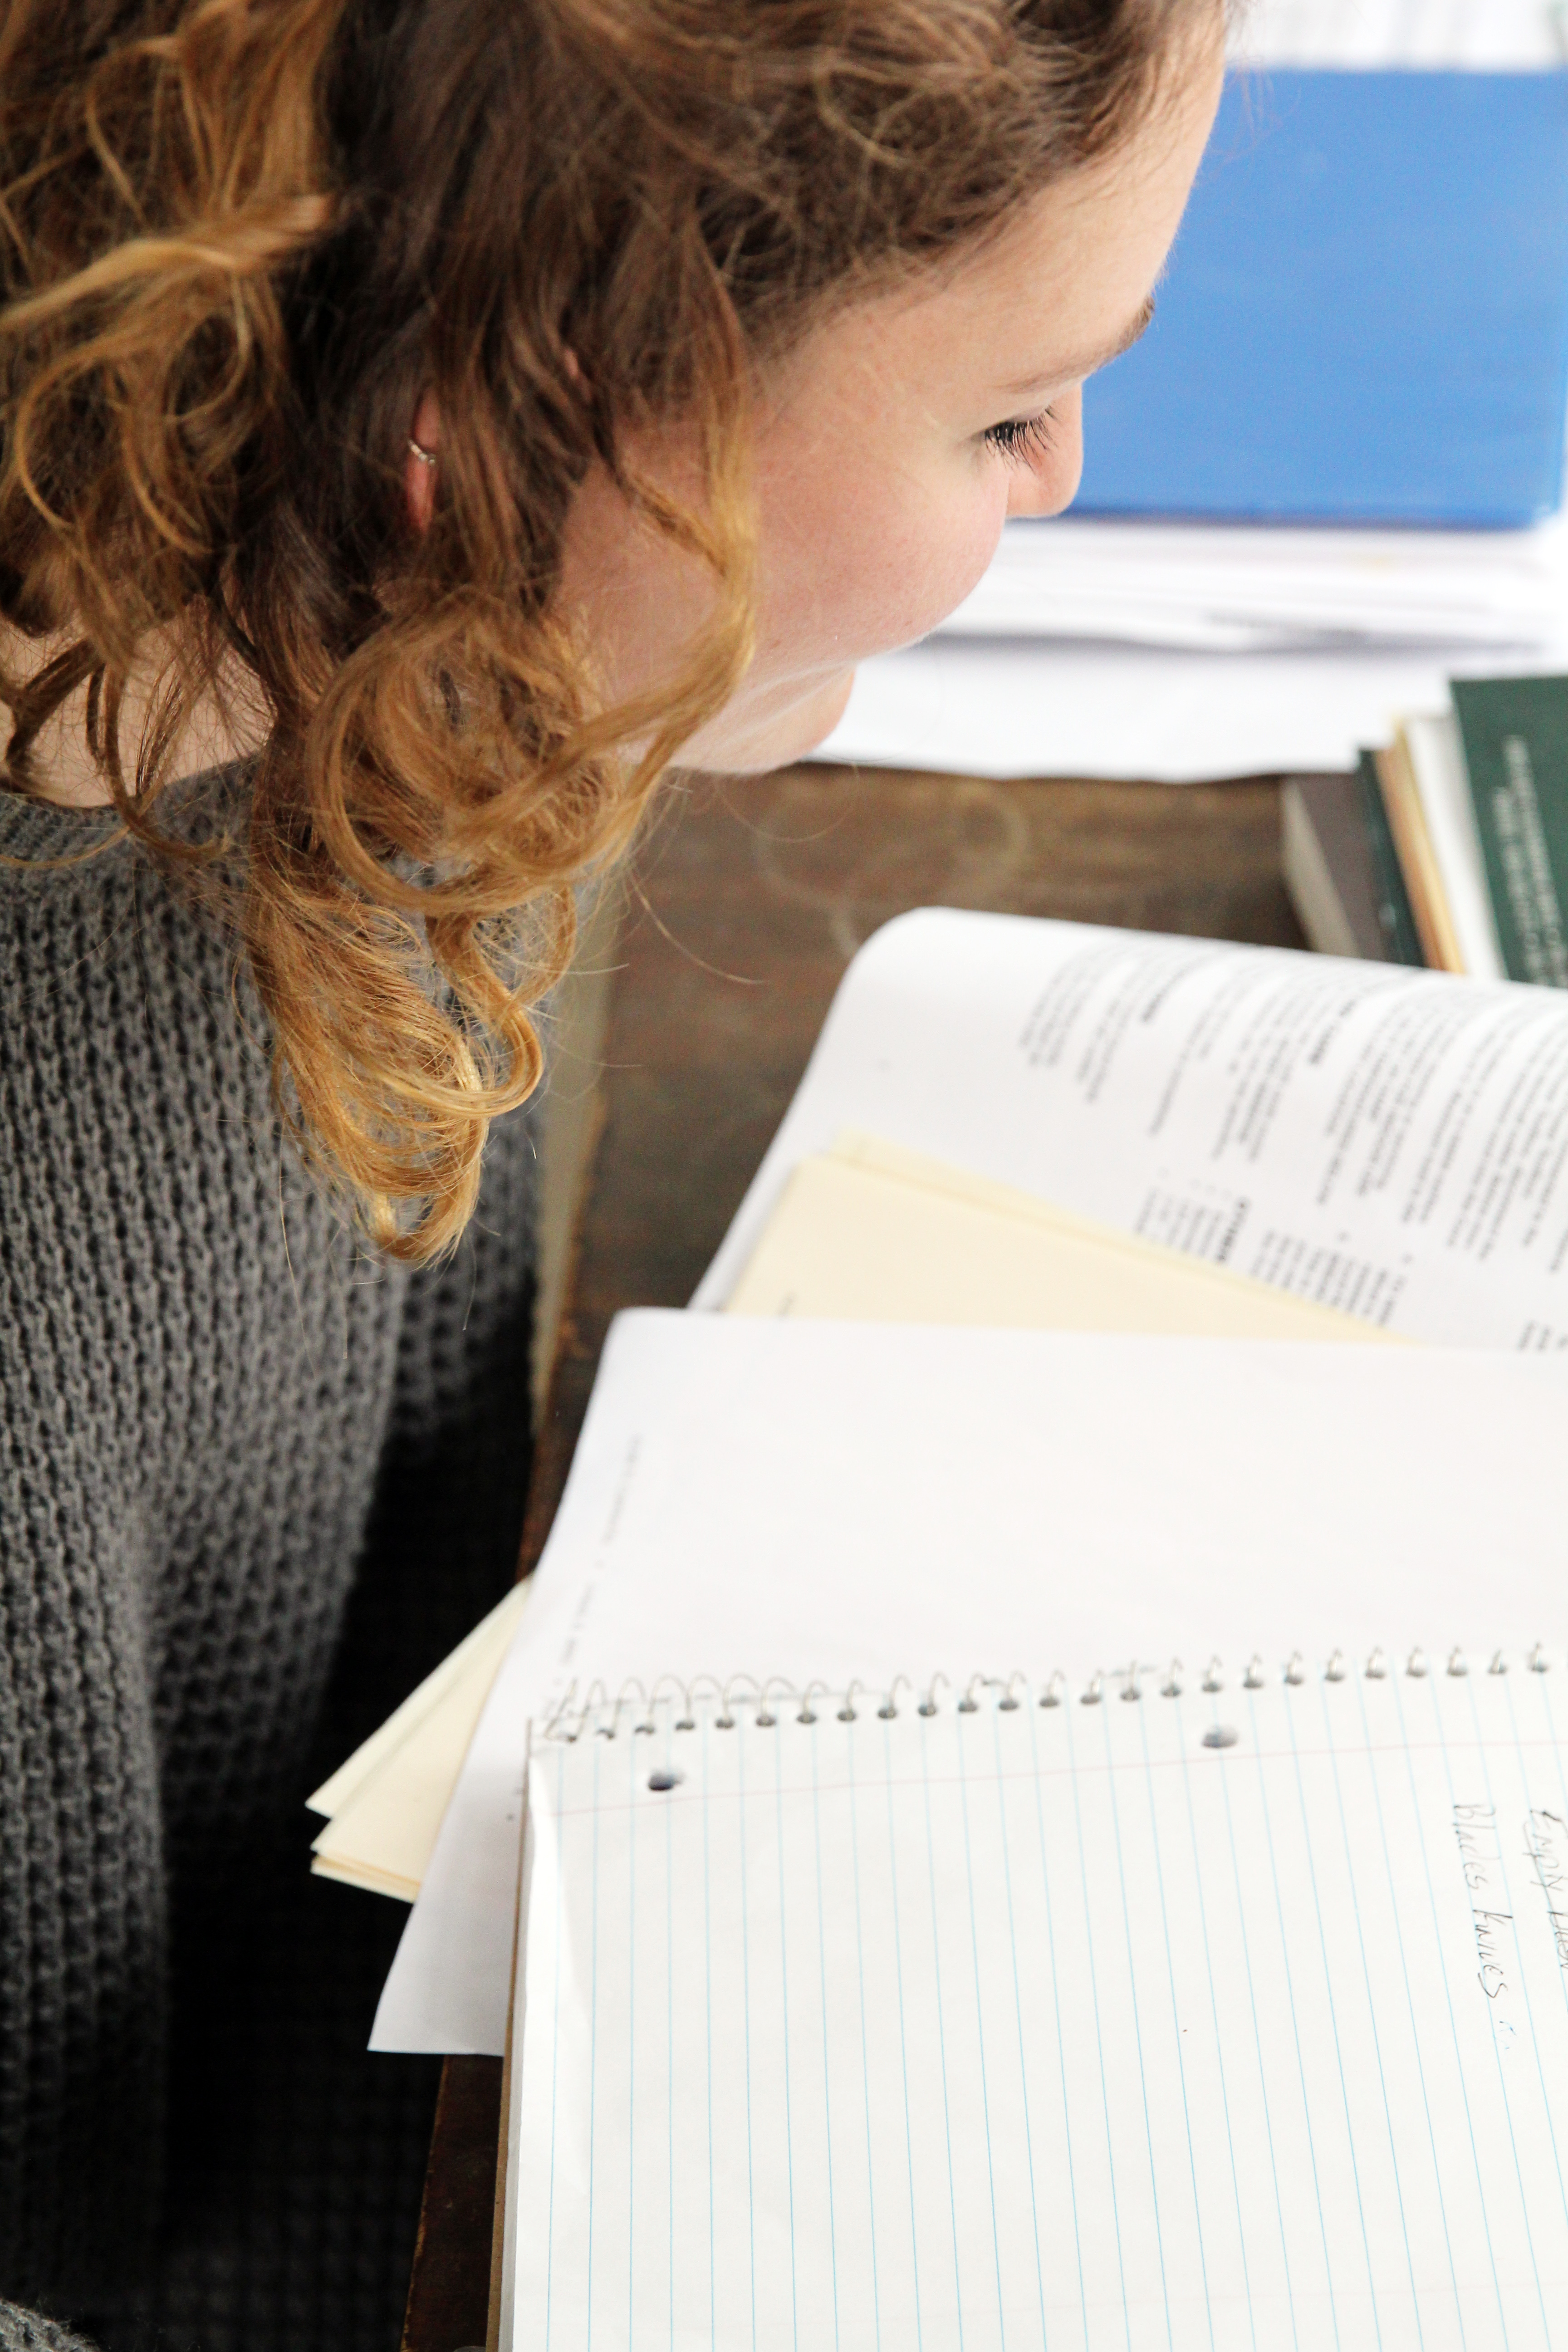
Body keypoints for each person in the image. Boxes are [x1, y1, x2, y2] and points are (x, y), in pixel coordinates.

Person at [0, 0, 1225, 2343]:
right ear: (503, 412)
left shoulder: (438, 652)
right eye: (1007, 410)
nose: (1070, 471)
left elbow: (415, 1540)